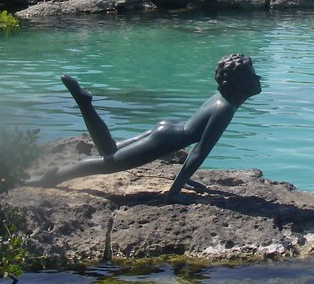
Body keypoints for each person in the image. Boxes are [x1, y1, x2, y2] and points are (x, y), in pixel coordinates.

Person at [24, 53, 262, 202]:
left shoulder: (220, 99)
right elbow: (199, 152)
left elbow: (196, 145)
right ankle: (52, 177)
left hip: (167, 129)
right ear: (238, 84)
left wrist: (187, 180)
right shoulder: (225, 109)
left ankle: (85, 103)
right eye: (253, 75)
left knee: (109, 148)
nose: (259, 78)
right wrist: (175, 191)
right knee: (107, 163)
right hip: (166, 139)